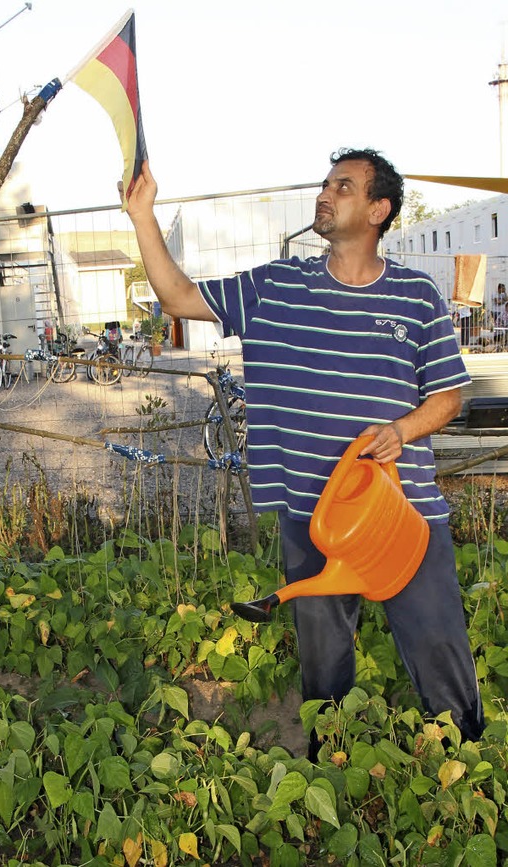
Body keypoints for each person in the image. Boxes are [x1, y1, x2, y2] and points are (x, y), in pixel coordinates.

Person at [121, 148, 484, 754]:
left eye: (343, 186)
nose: (325, 193)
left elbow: (450, 394)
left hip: (403, 512)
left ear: (378, 209)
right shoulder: (276, 286)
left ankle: (461, 764)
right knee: (323, 661)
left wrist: (401, 430)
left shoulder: (417, 296)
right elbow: (179, 297)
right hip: (313, 512)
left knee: (437, 646)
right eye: (325, 183)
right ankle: (330, 763)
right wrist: (142, 216)